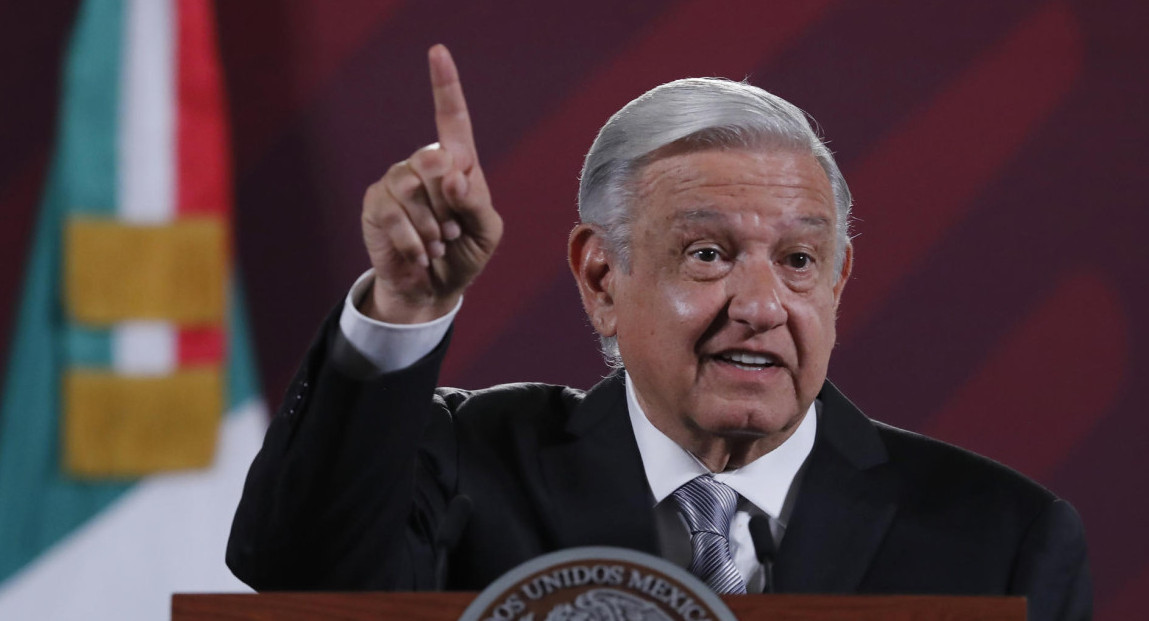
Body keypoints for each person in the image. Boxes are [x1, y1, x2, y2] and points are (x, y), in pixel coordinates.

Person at [227, 45, 1091, 620]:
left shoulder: (1001, 538)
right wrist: (406, 301)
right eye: (708, 253)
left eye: (797, 260)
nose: (761, 303)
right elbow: (305, 575)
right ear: (602, 278)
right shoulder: (468, 463)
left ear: (836, 284)